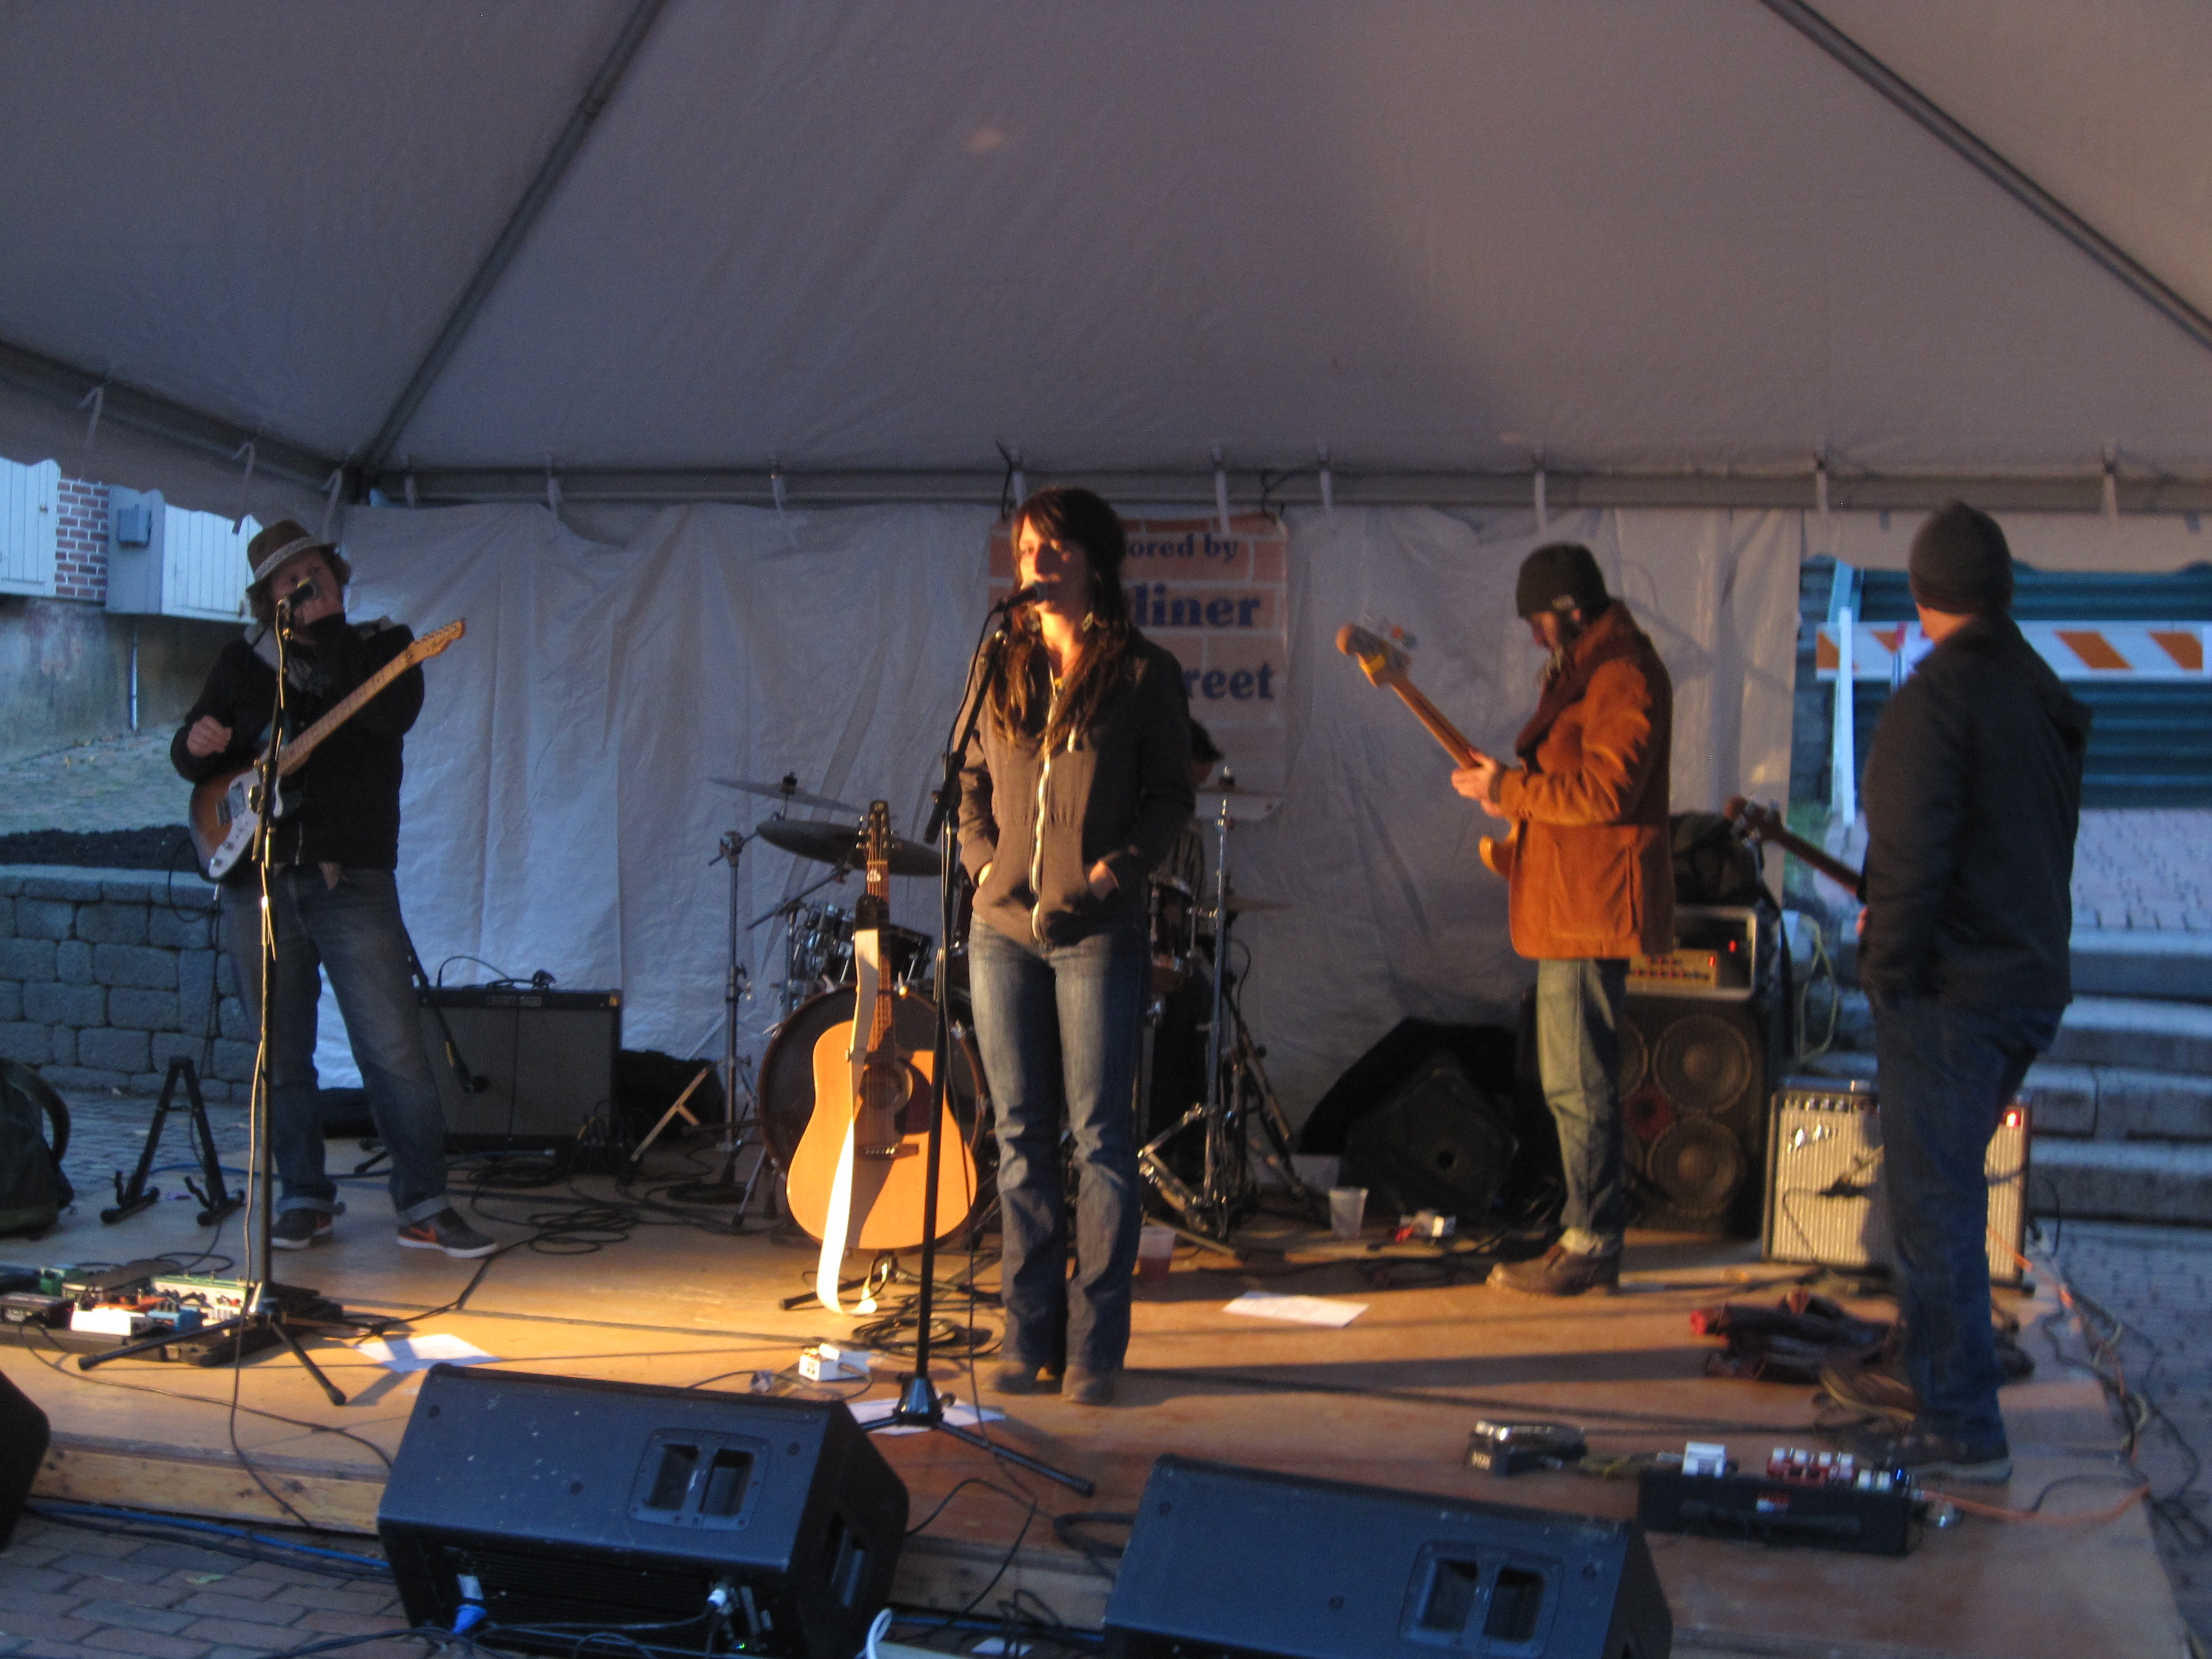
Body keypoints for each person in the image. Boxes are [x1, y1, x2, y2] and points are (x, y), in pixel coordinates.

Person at [1841, 501, 2088, 1483]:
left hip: (1953, 989)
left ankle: (1961, 1429)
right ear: (2002, 590)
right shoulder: (2039, 691)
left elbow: (1907, 861)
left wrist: (1884, 971)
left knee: (1931, 1211)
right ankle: (1935, 1380)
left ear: (1921, 596)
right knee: (1939, 1201)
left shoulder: (1935, 701)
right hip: (2025, 978)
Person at [172, 520, 493, 1259]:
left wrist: (332, 634)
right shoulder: (242, 660)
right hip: (257, 881)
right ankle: (304, 1196)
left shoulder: (385, 646)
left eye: (312, 572)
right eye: (288, 582)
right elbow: (196, 759)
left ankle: (425, 1202)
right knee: (281, 1054)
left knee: (393, 1049)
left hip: (351, 879)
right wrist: (192, 745)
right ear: (268, 599)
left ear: (336, 574)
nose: (304, 586)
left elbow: (391, 715)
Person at [959, 486, 1195, 1404]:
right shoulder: (999, 661)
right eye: (1028, 550)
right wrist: (982, 862)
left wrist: (1110, 874)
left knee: (1100, 1142)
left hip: (1096, 929)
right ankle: (1028, 1338)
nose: (1038, 564)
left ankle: (1096, 1348)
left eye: (1055, 549)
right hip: (1001, 929)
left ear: (1096, 559)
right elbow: (967, 779)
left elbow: (1170, 798)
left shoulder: (1142, 672)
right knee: (1018, 1139)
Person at [1453, 541, 1674, 1296]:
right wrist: (1511, 795)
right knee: (1571, 1081)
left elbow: (1608, 793)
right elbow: (1575, 784)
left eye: (1538, 621)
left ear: (1572, 610)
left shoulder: (1622, 675)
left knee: (1579, 1082)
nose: (1532, 635)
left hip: (1590, 908)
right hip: (1572, 904)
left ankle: (1593, 1242)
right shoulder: (1597, 672)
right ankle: (1585, 1233)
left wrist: (1512, 791)